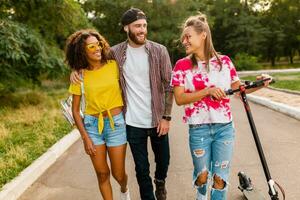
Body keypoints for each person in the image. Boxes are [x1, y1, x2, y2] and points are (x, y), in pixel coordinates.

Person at [71, 8, 174, 200]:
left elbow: (169, 85)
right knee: (141, 170)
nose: (142, 30)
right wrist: (75, 69)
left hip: (157, 118)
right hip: (132, 122)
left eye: (144, 25)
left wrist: (166, 117)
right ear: (127, 28)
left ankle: (160, 182)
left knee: (163, 162)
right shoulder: (115, 53)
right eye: (137, 26)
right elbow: (90, 59)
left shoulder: (160, 51)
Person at [171, 13, 272, 200]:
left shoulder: (223, 62)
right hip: (198, 129)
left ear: (203, 35)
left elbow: (238, 89)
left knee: (219, 179)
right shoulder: (181, 65)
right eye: (183, 37)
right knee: (202, 177)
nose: (184, 41)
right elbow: (179, 98)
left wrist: (260, 84)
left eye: (188, 36)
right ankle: (201, 195)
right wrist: (207, 91)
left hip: (224, 128)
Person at [65, 29, 130, 200]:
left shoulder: (113, 66)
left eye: (99, 44)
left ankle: (124, 190)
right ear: (82, 50)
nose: (97, 49)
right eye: (92, 46)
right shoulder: (80, 76)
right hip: (92, 126)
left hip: (116, 124)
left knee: (118, 174)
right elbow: (75, 110)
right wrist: (85, 138)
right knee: (102, 173)